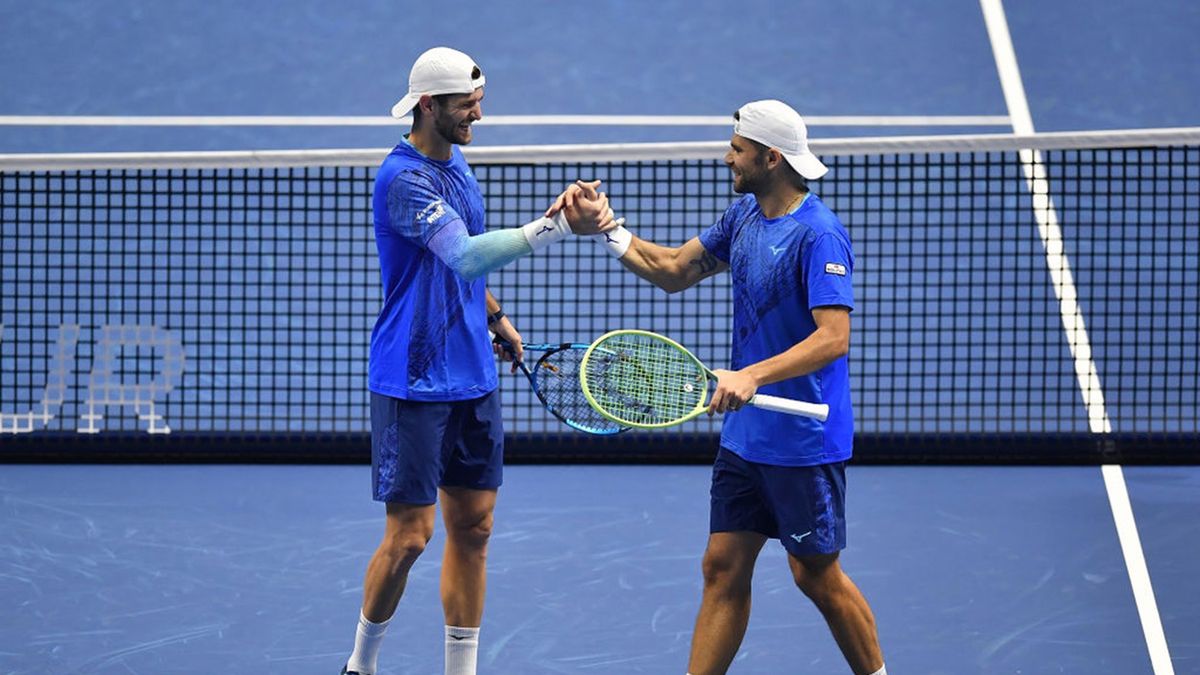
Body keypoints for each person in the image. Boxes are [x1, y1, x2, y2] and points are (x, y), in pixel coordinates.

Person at [556, 99, 886, 675]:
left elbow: (834, 338)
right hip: (745, 437)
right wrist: (607, 229)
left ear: (770, 157)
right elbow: (675, 269)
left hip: (802, 441)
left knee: (816, 576)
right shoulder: (744, 218)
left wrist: (752, 374)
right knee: (722, 567)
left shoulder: (819, 236)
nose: (728, 157)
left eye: (737, 149)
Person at [340, 46, 616, 675]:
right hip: (413, 377)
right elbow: (464, 254)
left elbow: (459, 270)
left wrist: (494, 318)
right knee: (411, 536)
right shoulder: (402, 179)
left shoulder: (458, 163)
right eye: (468, 106)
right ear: (429, 106)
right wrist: (552, 227)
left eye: (479, 103)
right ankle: (360, 664)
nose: (479, 117)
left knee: (475, 529)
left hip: (473, 375)